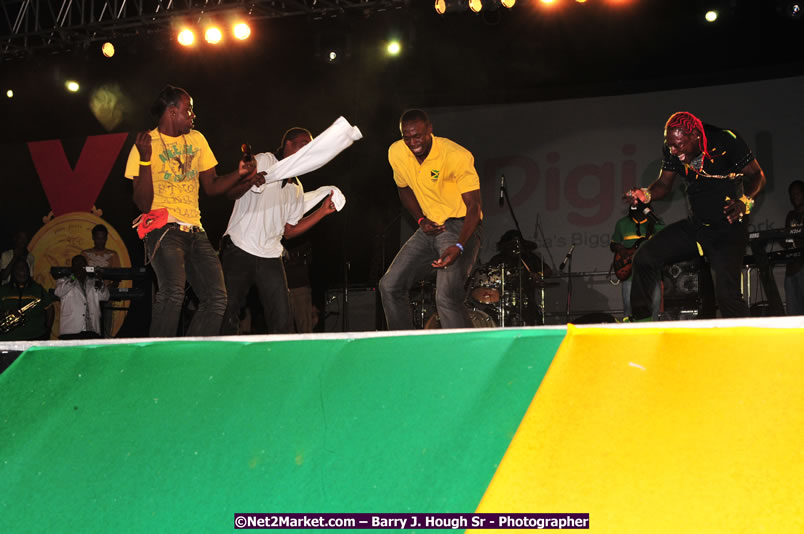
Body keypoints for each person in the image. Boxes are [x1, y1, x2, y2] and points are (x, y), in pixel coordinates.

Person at [124, 85, 261, 337]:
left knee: (217, 298)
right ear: (172, 111)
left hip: (195, 231)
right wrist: (145, 159)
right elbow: (143, 204)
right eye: (189, 110)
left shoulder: (196, 139)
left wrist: (240, 174)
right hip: (163, 229)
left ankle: (191, 352)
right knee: (173, 292)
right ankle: (158, 356)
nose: (193, 115)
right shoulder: (145, 144)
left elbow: (211, 186)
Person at [626, 111, 766, 320]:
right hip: (697, 227)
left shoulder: (725, 140)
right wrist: (646, 194)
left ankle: (744, 341)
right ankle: (639, 320)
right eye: (670, 145)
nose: (673, 151)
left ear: (695, 136)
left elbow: (757, 176)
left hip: (727, 229)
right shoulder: (673, 150)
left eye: (678, 145)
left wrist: (744, 202)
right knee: (645, 258)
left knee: (727, 296)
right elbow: (664, 185)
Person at [219, 127, 343, 335]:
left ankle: (281, 364)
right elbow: (231, 192)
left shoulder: (296, 187)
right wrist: (250, 181)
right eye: (303, 145)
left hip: (270, 256)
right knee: (228, 311)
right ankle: (214, 358)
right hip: (240, 248)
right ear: (288, 144)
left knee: (282, 319)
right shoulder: (264, 161)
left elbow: (290, 231)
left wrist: (322, 211)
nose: (307, 151)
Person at [379, 109, 482, 330]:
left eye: (417, 136)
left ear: (430, 130)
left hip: (460, 225)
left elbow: (474, 207)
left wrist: (459, 245)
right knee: (389, 286)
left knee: (446, 297)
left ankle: (465, 355)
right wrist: (420, 219)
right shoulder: (397, 152)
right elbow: (403, 188)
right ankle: (405, 348)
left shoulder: (455, 155)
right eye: (407, 137)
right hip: (429, 227)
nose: (412, 142)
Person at [610, 204, 664, 319]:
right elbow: (613, 244)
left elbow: (666, 236)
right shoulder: (622, 223)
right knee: (628, 309)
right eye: (633, 212)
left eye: (639, 211)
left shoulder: (655, 223)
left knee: (654, 306)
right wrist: (620, 248)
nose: (636, 214)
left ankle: (652, 332)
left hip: (651, 272)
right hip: (630, 274)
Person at [54, 255, 110, 339]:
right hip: (71, 330)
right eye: (76, 264)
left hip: (92, 330)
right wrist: (73, 277)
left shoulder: (93, 282)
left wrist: (100, 283)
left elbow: (105, 297)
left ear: (86, 266)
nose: (79, 267)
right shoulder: (63, 281)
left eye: (81, 264)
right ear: (72, 268)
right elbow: (58, 293)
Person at [81, 224, 121, 337]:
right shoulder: (85, 254)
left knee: (106, 323)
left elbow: (118, 275)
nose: (100, 241)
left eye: (103, 238)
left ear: (106, 238)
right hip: (89, 294)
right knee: (90, 324)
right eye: (98, 238)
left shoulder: (113, 254)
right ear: (93, 238)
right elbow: (81, 272)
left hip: (106, 293)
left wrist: (112, 288)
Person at [0, 258, 53, 341]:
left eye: (25, 268)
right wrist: (8, 312)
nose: (23, 271)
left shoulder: (38, 289)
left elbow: (49, 309)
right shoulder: (3, 290)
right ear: (13, 272)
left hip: (35, 338)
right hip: (8, 339)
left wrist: (47, 330)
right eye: (19, 268)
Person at [783, 180, 804, 315]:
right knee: (793, 312)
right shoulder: (790, 216)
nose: (795, 196)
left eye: (798, 193)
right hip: (791, 269)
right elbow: (786, 239)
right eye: (792, 194)